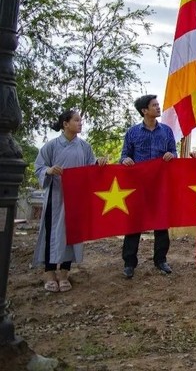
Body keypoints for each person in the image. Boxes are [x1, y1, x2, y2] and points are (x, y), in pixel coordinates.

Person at [33, 109, 105, 292]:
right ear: (65, 124)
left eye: (81, 120)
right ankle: (49, 273)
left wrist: (99, 164)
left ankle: (64, 273)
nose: (80, 123)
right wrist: (48, 171)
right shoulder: (51, 146)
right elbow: (39, 167)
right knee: (51, 233)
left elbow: (91, 170)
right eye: (76, 120)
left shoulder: (84, 147)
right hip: (55, 197)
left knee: (71, 234)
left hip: (75, 199)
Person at [120, 94, 177, 278]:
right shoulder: (132, 133)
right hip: (138, 185)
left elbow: (173, 152)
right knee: (134, 223)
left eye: (158, 104)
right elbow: (124, 156)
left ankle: (161, 260)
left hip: (160, 184)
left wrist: (171, 156)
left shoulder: (167, 131)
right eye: (154, 105)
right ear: (144, 110)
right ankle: (129, 263)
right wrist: (126, 160)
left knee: (161, 223)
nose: (158, 108)